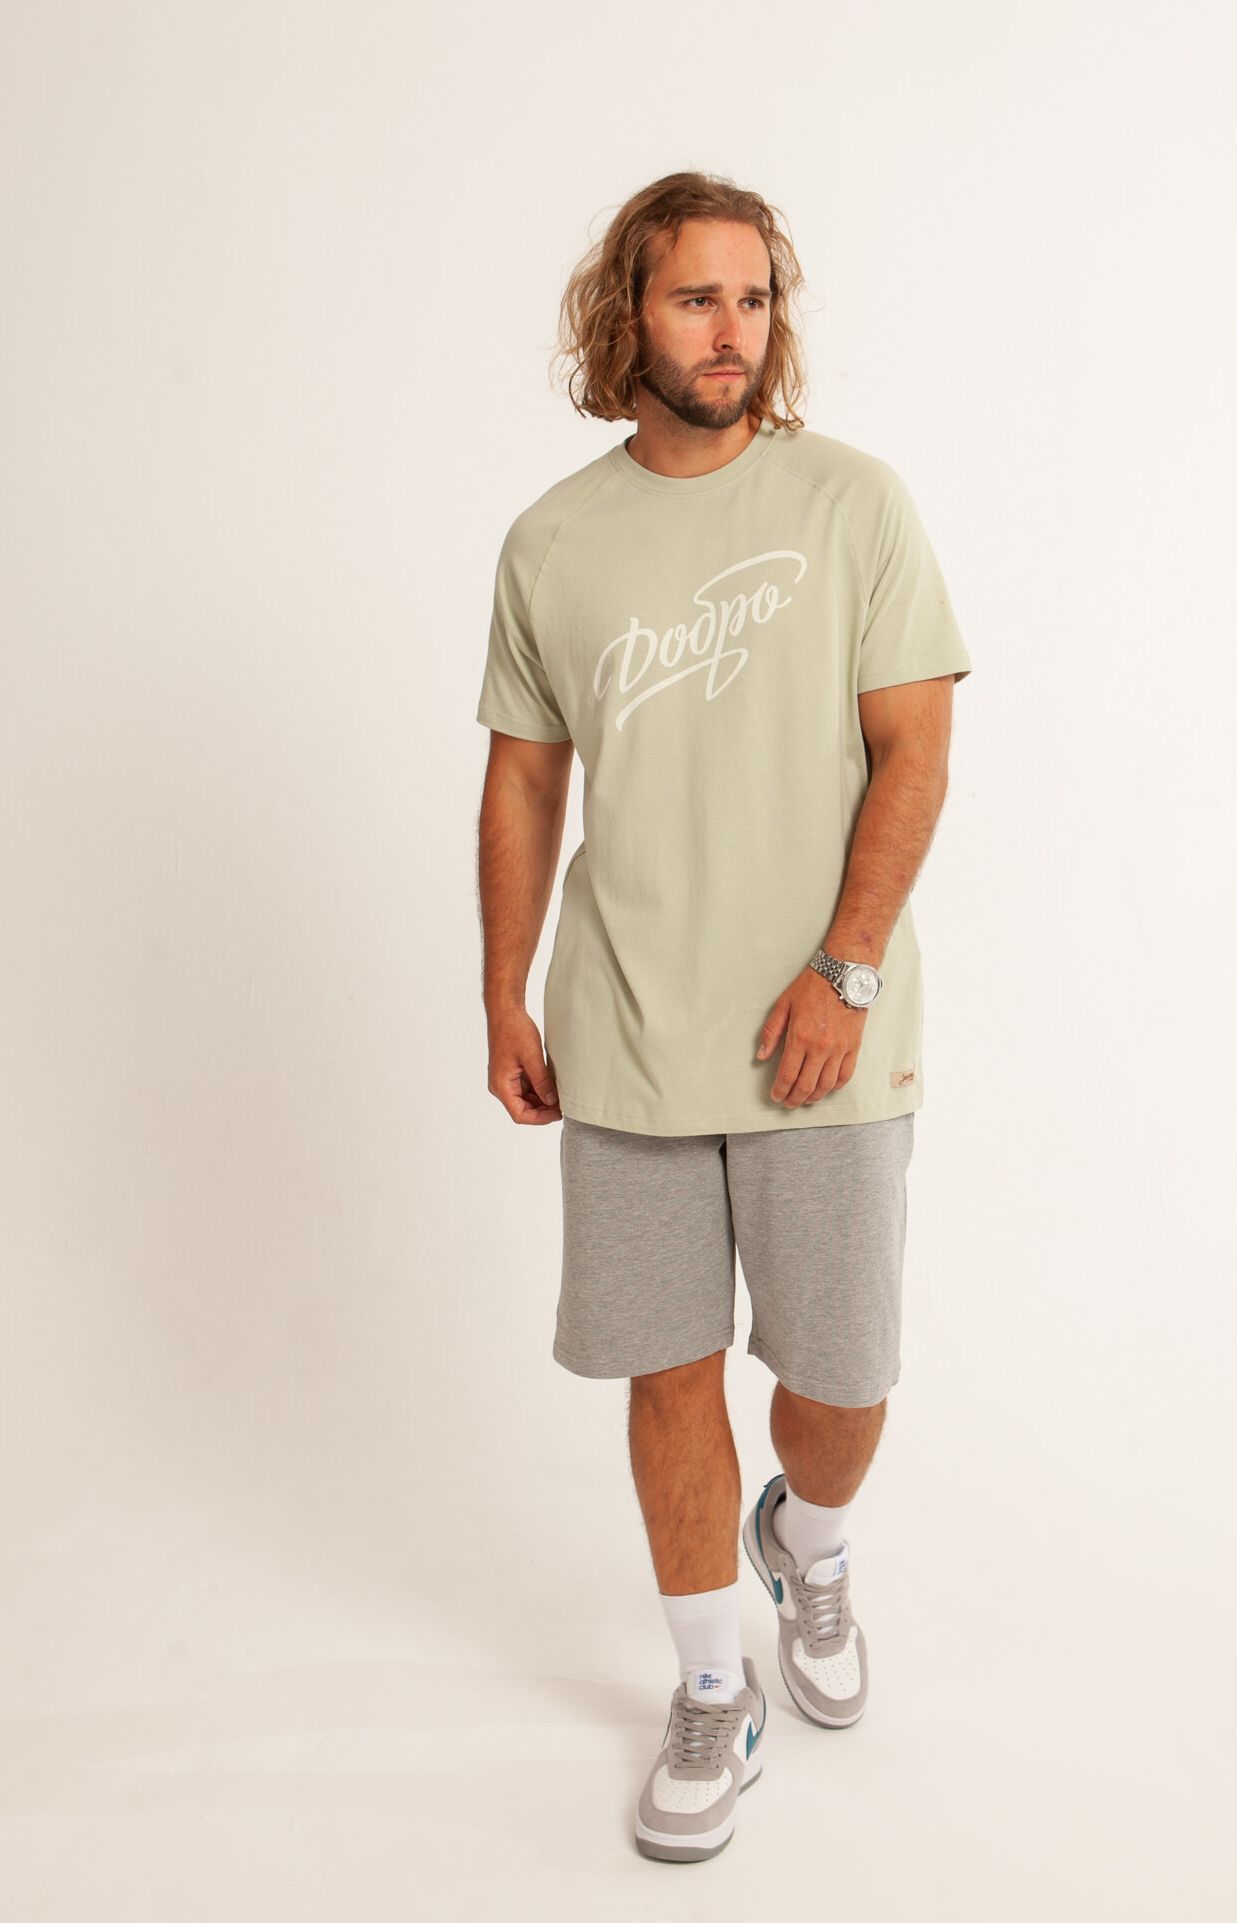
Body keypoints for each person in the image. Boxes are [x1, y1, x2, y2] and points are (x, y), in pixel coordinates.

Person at [474, 171, 972, 1863]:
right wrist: (501, 985)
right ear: (627, 315)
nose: (731, 332)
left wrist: (846, 968)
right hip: (627, 1031)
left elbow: (916, 750)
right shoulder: (553, 542)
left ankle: (807, 1544)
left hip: (824, 1030)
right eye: (697, 298)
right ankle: (710, 1688)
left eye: (754, 300)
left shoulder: (853, 503)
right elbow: (523, 781)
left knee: (841, 1376)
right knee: (667, 1372)